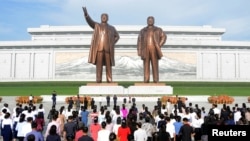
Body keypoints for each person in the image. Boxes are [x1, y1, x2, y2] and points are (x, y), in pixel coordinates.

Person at [82, 7, 120, 83]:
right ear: (100, 18)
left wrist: (112, 43)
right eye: (102, 17)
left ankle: (109, 80)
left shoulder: (112, 28)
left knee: (108, 66)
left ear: (107, 18)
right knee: (99, 66)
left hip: (107, 49)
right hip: (99, 49)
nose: (103, 18)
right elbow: (90, 22)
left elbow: (117, 36)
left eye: (105, 17)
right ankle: (98, 80)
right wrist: (86, 15)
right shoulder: (97, 26)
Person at [137, 16, 167, 83]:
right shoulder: (143, 30)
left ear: (153, 21)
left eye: (151, 20)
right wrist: (139, 51)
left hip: (154, 49)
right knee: (146, 64)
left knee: (155, 64)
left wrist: (159, 45)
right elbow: (139, 40)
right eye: (149, 20)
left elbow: (164, 37)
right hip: (145, 49)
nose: (150, 21)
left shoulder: (158, 29)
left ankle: (156, 79)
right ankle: (146, 79)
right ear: (147, 21)